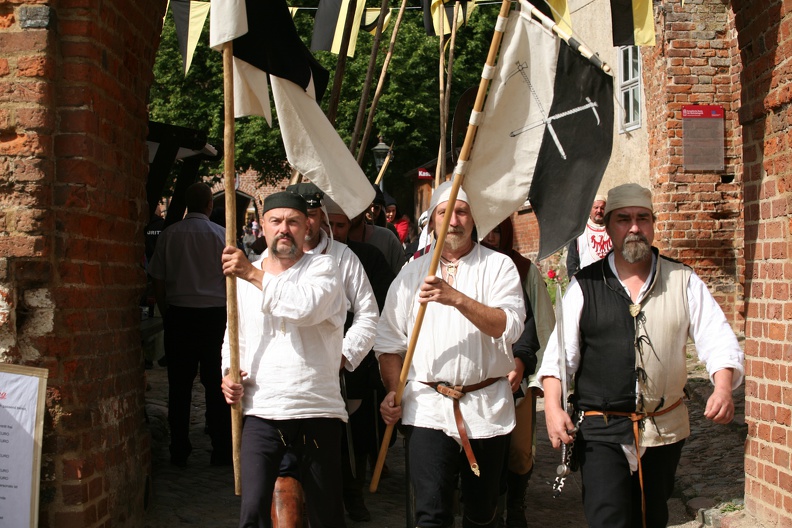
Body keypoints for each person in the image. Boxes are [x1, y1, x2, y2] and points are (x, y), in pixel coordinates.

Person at [538, 183, 745, 528]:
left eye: (642, 218)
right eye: (623, 219)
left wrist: (722, 388)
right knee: (609, 519)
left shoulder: (682, 280)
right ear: (608, 227)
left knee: (651, 518)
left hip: (663, 427)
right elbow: (560, 358)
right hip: (601, 428)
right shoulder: (584, 285)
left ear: (652, 224)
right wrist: (553, 406)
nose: (634, 227)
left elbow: (718, 339)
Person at [376, 180, 526, 528]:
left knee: (482, 511)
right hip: (427, 406)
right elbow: (388, 343)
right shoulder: (411, 273)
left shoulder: (499, 266)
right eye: (445, 212)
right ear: (431, 223)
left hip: (486, 407)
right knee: (430, 513)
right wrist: (393, 390)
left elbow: (510, 325)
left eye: (462, 212)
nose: (454, 221)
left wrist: (455, 297)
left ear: (474, 220)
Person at [220, 191, 348, 528]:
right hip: (261, 408)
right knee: (252, 512)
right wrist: (228, 373)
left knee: (325, 514)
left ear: (307, 226)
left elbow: (304, 308)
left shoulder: (325, 269)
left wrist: (252, 274)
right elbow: (235, 334)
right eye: (275, 221)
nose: (284, 229)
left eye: (292, 221)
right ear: (262, 226)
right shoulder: (245, 278)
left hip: (315, 408)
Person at [271, 183, 379, 523]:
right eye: (303, 216)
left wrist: (343, 357)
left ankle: (352, 495)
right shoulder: (269, 259)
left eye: (314, 215)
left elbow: (368, 313)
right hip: (282, 382)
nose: (308, 223)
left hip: (332, 377)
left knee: (342, 452)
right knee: (283, 467)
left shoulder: (343, 258)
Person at [147, 182, 231, 467]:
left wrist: (164, 308)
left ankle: (179, 447)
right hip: (214, 317)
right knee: (216, 384)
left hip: (180, 315)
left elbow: (157, 277)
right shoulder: (221, 235)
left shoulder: (170, 235)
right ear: (209, 205)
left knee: (179, 386)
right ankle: (221, 448)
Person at [481, 218, 555, 528]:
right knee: (484, 450)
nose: (493, 237)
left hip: (519, 378)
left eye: (498, 230)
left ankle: (516, 503)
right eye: (487, 231)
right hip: (480, 381)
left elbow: (540, 323)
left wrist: (538, 377)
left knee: (520, 449)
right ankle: (489, 507)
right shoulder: (470, 271)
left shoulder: (524, 271)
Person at [566, 195, 611, 276]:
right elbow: (572, 259)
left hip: (610, 277)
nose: (599, 211)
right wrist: (573, 277)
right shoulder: (580, 231)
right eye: (596, 207)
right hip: (588, 278)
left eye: (602, 208)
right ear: (590, 209)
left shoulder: (612, 229)